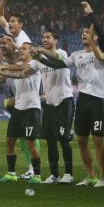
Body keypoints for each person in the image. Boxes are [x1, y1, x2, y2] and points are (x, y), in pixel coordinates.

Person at [36, 1, 104, 187]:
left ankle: (103, 176)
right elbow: (58, 64)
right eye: (82, 33)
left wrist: (90, 13)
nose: (84, 34)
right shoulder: (76, 55)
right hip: (83, 101)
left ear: (94, 36)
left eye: (87, 32)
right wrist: (40, 57)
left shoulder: (100, 51)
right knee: (82, 139)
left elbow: (101, 33)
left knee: (98, 139)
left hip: (98, 100)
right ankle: (90, 175)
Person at [0, 42, 45, 184]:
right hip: (18, 110)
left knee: (30, 143)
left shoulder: (35, 64)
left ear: (31, 52)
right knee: (10, 141)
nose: (20, 50)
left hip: (31, 110)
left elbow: (21, 70)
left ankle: (37, 175)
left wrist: (3, 66)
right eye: (20, 48)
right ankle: (11, 173)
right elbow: (3, 76)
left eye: (24, 49)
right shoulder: (19, 66)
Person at [0, 0, 38, 179]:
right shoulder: (12, 35)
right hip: (17, 89)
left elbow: (23, 66)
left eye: (13, 21)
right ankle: (15, 171)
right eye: (10, 21)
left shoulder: (23, 40)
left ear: (20, 25)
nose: (9, 23)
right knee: (16, 136)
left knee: (29, 137)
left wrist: (2, 68)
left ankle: (33, 170)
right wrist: (3, 0)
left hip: (27, 85)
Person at [35, 30, 75, 184]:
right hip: (50, 105)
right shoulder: (40, 59)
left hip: (64, 102)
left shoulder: (62, 53)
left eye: (48, 37)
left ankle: (69, 174)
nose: (44, 39)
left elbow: (57, 60)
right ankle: (54, 175)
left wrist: (41, 52)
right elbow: (28, 69)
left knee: (63, 139)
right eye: (43, 37)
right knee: (50, 140)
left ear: (55, 40)